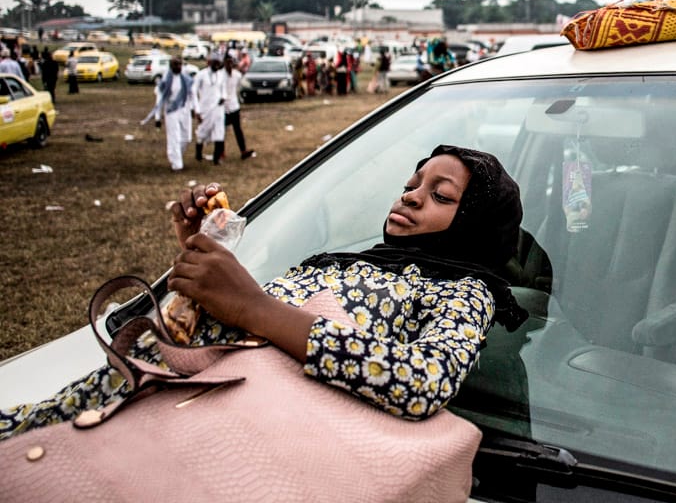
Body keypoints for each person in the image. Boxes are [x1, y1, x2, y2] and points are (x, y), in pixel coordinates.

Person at [0, 144, 526, 440]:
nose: (412, 196)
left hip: (201, 434)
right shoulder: (341, 260)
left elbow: (423, 381)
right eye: (413, 183)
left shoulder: (464, 291)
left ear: (477, 223)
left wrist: (254, 307)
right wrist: (206, 255)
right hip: (129, 392)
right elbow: (223, 325)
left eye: (439, 195)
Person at [141, 56, 195, 172]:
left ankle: (175, 156)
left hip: (184, 110)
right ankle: (177, 165)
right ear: (171, 66)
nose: (178, 67)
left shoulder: (186, 79)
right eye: (176, 65)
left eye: (180, 64)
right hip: (171, 111)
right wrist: (157, 117)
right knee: (174, 137)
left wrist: (195, 109)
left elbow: (191, 95)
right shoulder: (166, 80)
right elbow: (160, 99)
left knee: (186, 138)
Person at [193, 53, 227, 164]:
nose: (217, 66)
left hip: (218, 108)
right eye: (215, 63)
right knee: (202, 132)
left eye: (218, 63)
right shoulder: (201, 75)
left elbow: (223, 89)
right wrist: (196, 110)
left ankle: (216, 159)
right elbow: (193, 92)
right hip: (205, 109)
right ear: (209, 63)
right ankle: (198, 154)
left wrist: (223, 97)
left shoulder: (221, 75)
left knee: (219, 132)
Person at [222, 56, 255, 160]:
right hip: (222, 107)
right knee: (221, 131)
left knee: (238, 129)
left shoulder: (236, 75)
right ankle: (221, 152)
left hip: (234, 106)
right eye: (227, 63)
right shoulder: (220, 75)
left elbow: (241, 86)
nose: (229, 65)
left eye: (231, 63)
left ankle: (243, 151)